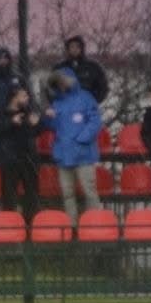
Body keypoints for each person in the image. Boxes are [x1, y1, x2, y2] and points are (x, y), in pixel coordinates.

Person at [42, 68, 103, 221]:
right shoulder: (56, 102)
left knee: (89, 191)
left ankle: (95, 224)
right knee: (67, 193)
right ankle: (72, 226)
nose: (61, 86)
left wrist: (81, 139)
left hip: (83, 154)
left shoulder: (86, 97)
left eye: (63, 82)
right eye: (58, 83)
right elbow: (53, 126)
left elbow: (95, 121)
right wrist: (48, 118)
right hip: (63, 155)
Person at [0, 84, 42, 220]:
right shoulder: (1, 112)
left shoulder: (29, 112)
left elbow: (35, 133)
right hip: (9, 158)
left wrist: (37, 124)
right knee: (9, 194)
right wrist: (11, 122)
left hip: (29, 158)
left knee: (32, 194)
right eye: (24, 96)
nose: (27, 98)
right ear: (14, 97)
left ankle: (31, 225)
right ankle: (11, 225)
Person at [62, 35, 108, 106]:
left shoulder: (93, 66)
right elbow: (51, 88)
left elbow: (103, 87)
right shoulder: (60, 67)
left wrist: (94, 101)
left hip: (87, 107)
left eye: (78, 47)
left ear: (82, 48)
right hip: (65, 107)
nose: (75, 49)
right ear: (68, 49)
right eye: (72, 47)